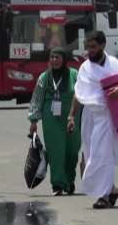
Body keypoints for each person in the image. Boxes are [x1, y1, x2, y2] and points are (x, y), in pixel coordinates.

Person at [67, 31, 118, 209]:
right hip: (89, 116)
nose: (90, 51)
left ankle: (104, 196)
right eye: (88, 47)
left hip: (107, 117)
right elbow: (79, 93)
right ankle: (112, 189)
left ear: (103, 46)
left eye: (93, 47)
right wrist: (71, 116)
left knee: (103, 155)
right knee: (91, 155)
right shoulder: (85, 68)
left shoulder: (115, 65)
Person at [28, 47, 82, 196]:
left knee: (72, 150)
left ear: (64, 59)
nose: (54, 60)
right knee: (55, 151)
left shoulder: (74, 75)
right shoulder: (44, 77)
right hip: (51, 118)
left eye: (57, 57)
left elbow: (82, 94)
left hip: (72, 115)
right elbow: (37, 99)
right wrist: (33, 121)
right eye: (52, 58)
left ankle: (69, 181)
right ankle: (57, 184)